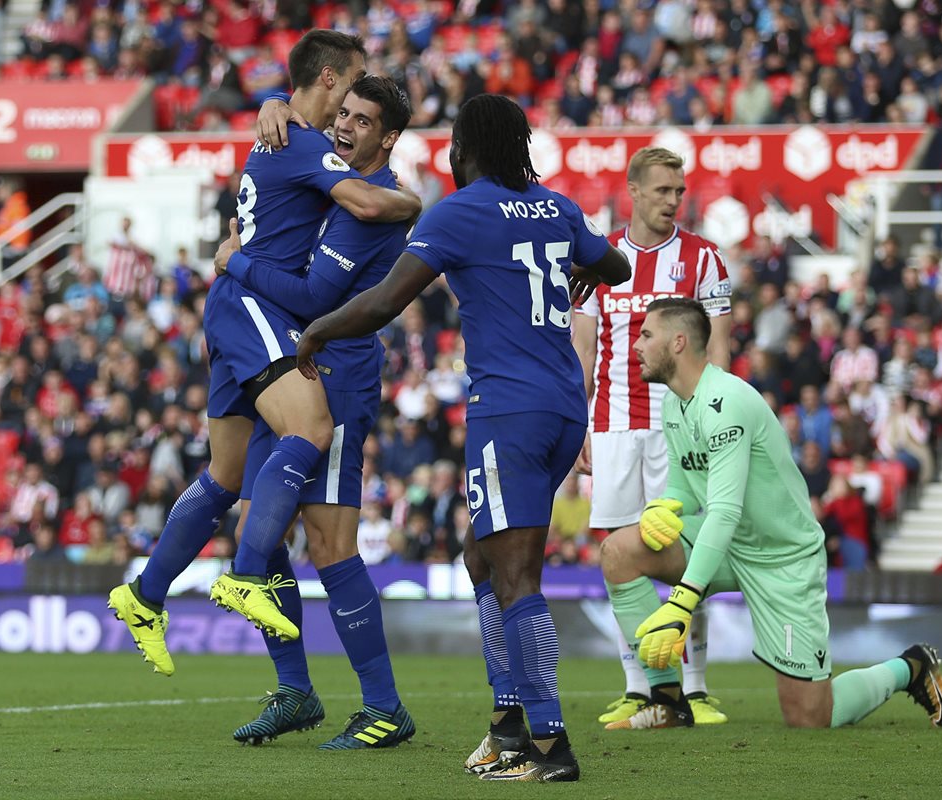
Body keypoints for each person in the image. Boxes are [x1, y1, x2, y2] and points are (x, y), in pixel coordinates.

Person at [297, 94, 631, 782]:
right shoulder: (557, 207)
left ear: (462, 149)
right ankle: (508, 725)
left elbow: (388, 300)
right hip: (565, 406)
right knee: (481, 559)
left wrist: (321, 328)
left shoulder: (459, 209)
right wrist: (585, 270)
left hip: (507, 411)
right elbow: (617, 268)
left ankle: (549, 746)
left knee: (515, 576)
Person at [108, 30, 419, 678]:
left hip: (235, 306)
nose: (349, 110)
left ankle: (143, 594)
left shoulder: (279, 132)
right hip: (252, 304)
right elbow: (362, 201)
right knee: (309, 425)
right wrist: (419, 205)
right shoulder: (303, 144)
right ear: (331, 79)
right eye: (352, 84)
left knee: (224, 476)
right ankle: (246, 573)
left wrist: (275, 100)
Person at [599, 297, 942, 732]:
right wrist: (664, 506)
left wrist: (682, 602)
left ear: (678, 342)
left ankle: (912, 667)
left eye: (645, 335)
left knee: (810, 716)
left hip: (782, 558)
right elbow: (684, 485)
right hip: (728, 546)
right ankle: (669, 701)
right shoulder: (674, 403)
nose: (635, 345)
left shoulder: (726, 402)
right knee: (618, 551)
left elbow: (725, 511)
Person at [215, 76, 417, 749]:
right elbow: (296, 81)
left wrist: (237, 263)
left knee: (330, 545)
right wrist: (274, 97)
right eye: (345, 114)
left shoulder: (372, 209)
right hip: (293, 376)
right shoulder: (326, 176)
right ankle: (295, 689)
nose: (345, 126)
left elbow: (313, 300)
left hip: (336, 377)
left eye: (363, 121)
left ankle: (385, 707)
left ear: (387, 137)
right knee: (260, 528)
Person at [572, 146, 732, 729]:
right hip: (614, 426)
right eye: (663, 190)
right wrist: (578, 422)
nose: (673, 200)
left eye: (679, 192)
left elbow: (720, 352)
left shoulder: (702, 258)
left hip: (681, 431)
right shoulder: (599, 259)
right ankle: (639, 686)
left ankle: (696, 686)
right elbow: (582, 351)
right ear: (634, 190)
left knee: (684, 556)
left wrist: (717, 424)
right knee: (619, 554)